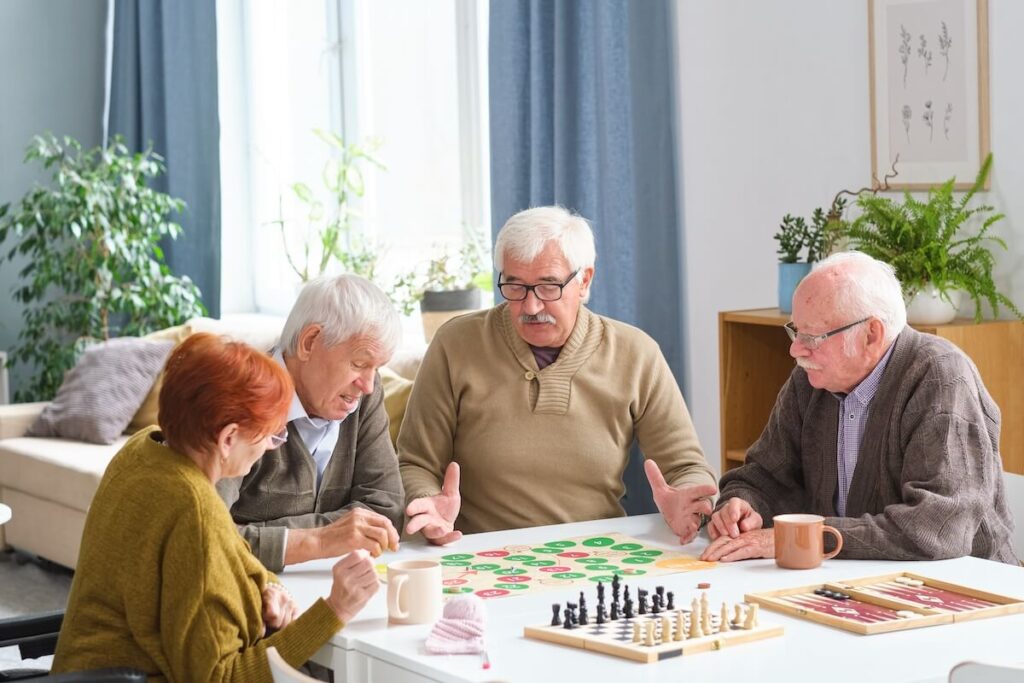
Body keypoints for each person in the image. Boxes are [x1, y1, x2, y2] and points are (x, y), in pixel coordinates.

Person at [52, 334, 380, 680]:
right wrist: (335, 610)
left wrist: (269, 586)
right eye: (270, 434)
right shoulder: (194, 509)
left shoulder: (143, 450)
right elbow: (221, 677)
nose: (270, 447)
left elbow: (232, 554)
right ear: (227, 439)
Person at [399, 205, 718, 545]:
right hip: (479, 551)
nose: (531, 307)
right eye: (515, 286)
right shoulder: (456, 344)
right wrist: (427, 503)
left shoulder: (636, 353)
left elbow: (685, 466)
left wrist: (690, 500)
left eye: (549, 286)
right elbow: (416, 463)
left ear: (585, 280)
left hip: (595, 554)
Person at [701, 251, 1018, 565]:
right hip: (850, 579)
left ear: (871, 334)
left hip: (966, 589)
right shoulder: (811, 380)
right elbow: (765, 475)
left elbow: (935, 528)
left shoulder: (941, 376)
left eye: (813, 336)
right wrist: (742, 505)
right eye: (796, 330)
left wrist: (804, 538)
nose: (795, 349)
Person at [218, 275, 404, 572]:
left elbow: (385, 510)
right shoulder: (239, 396)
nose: (368, 385)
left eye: (376, 368)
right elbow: (208, 539)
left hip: (337, 582)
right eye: (358, 363)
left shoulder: (363, 394)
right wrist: (319, 541)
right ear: (309, 342)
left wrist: (261, 535)